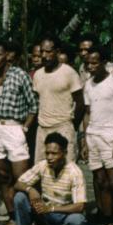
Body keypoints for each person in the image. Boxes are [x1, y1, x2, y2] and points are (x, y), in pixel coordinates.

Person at [0, 40, 38, 225]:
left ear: (6, 55)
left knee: (22, 178)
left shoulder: (19, 75)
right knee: (3, 178)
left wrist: (24, 128)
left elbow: (33, 105)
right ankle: (14, 219)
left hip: (14, 128)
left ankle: (30, 220)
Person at [11, 132, 89, 225]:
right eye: (47, 153)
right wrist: (30, 189)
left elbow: (80, 206)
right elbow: (18, 183)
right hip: (44, 212)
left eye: (54, 153)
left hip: (63, 214)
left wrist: (51, 209)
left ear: (64, 153)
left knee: (77, 220)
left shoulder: (75, 172)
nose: (49, 157)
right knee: (20, 197)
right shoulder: (43, 165)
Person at [80, 47, 113, 225]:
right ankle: (109, 223)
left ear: (105, 62)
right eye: (88, 63)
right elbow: (88, 112)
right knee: (101, 181)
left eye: (95, 62)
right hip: (93, 135)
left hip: (111, 134)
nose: (90, 67)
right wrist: (84, 138)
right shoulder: (88, 84)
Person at [32, 35, 84, 164]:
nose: (44, 55)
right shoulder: (38, 74)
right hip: (43, 128)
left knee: (66, 170)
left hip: (63, 128)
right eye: (42, 51)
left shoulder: (69, 72)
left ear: (57, 52)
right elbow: (38, 101)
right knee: (42, 170)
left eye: (48, 51)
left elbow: (81, 102)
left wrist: (72, 125)